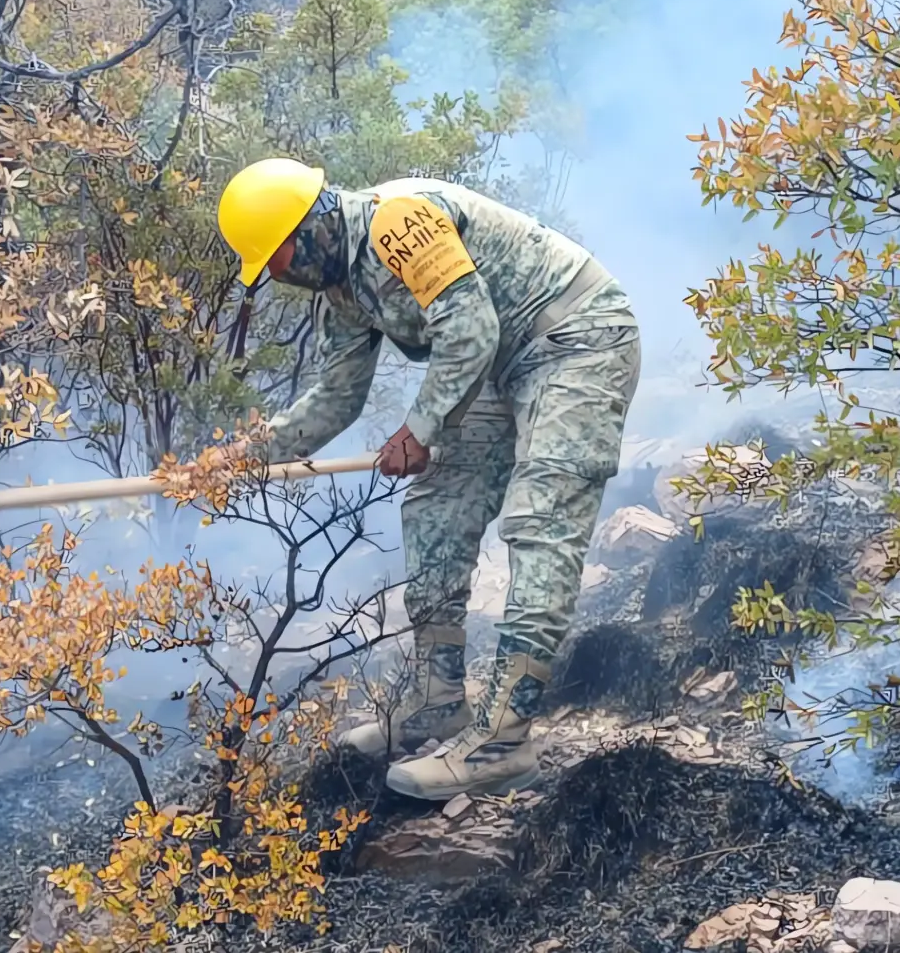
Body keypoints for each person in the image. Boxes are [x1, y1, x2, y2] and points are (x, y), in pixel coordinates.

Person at [215, 157, 641, 800]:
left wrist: (420, 429)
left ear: (310, 229)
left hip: (575, 340)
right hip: (501, 364)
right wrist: (247, 457)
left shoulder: (400, 221)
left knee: (539, 521)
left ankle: (503, 742)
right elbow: (335, 396)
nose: (279, 276)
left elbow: (469, 330)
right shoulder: (343, 291)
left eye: (276, 259)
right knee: (437, 509)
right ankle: (437, 701)